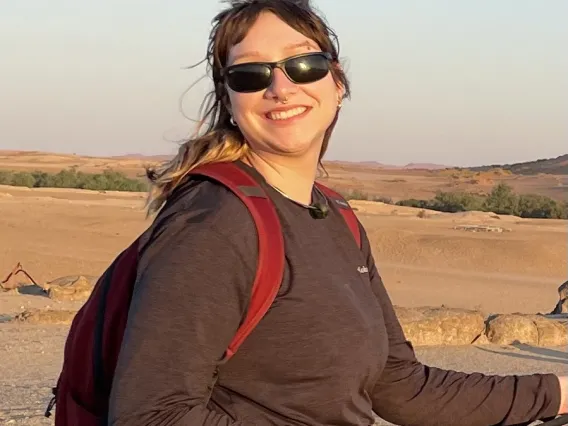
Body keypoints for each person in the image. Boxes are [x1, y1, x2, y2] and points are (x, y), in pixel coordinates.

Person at [107, 0, 568, 425]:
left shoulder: (333, 214)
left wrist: (556, 394)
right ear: (229, 100)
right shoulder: (215, 221)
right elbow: (151, 415)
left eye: (303, 65)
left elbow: (398, 384)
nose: (280, 88)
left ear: (337, 82)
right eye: (249, 75)